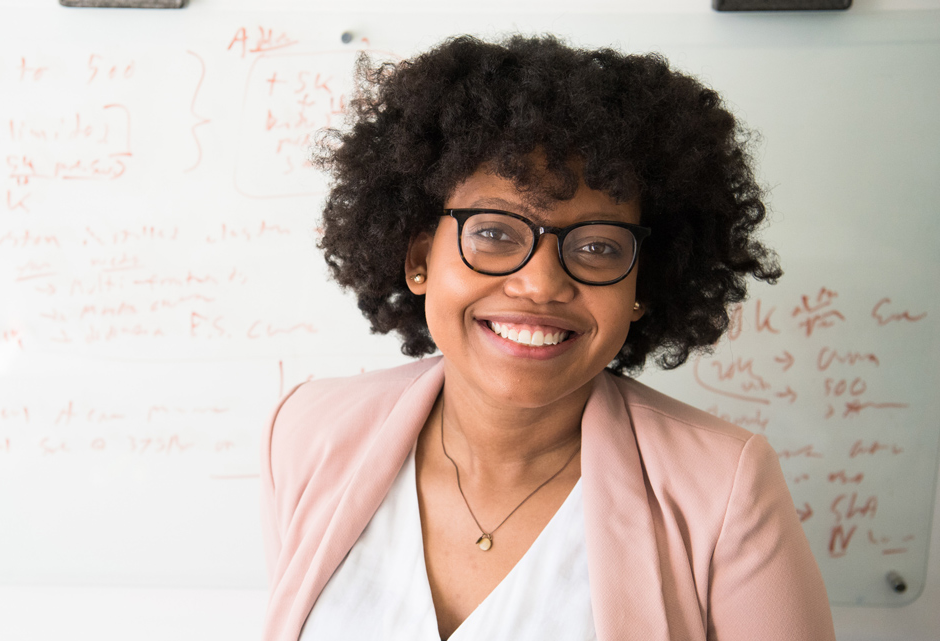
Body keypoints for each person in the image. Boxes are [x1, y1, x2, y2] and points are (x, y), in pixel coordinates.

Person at [260, 35, 836, 641]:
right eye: (495, 233)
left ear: (643, 284)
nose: (539, 284)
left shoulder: (724, 487)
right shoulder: (306, 432)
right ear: (419, 257)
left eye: (596, 247)